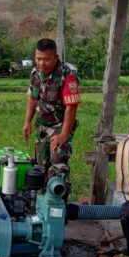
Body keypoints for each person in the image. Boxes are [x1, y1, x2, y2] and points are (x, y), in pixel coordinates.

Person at [22, 38, 80, 195]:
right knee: (41, 165)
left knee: (58, 164)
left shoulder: (67, 76)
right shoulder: (36, 74)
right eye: (38, 58)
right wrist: (27, 122)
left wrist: (63, 135)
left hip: (59, 126)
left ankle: (58, 206)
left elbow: (71, 107)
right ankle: (41, 203)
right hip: (41, 125)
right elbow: (33, 98)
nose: (42, 63)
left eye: (46, 59)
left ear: (56, 57)